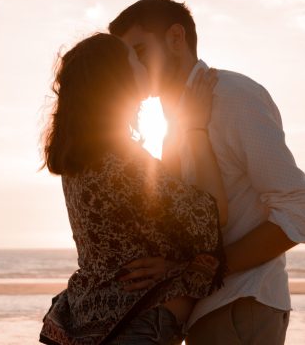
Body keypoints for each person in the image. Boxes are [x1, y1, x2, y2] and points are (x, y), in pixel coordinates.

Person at [109, 0, 305, 345]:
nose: (134, 68)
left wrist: (200, 271)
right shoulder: (174, 118)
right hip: (204, 308)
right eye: (128, 58)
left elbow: (298, 214)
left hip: (240, 302)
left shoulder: (233, 97)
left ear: (176, 39)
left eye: (141, 51)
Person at [39, 33, 229, 345]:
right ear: (117, 77)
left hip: (99, 322)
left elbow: (146, 227)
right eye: (134, 59)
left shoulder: (83, 159)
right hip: (134, 326)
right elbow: (212, 217)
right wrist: (195, 128)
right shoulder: (121, 161)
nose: (143, 65)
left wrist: (172, 264)